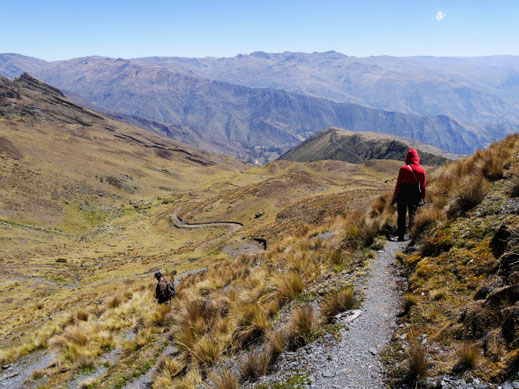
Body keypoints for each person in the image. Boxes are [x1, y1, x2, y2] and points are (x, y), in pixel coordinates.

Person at [392, 149, 426, 241]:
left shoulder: (403, 169)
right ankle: (412, 234)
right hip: (414, 194)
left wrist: (395, 195)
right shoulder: (421, 170)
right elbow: (422, 186)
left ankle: (401, 235)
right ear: (417, 158)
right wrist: (423, 197)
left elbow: (398, 183)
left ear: (407, 158)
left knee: (401, 216)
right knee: (412, 215)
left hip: (403, 194)